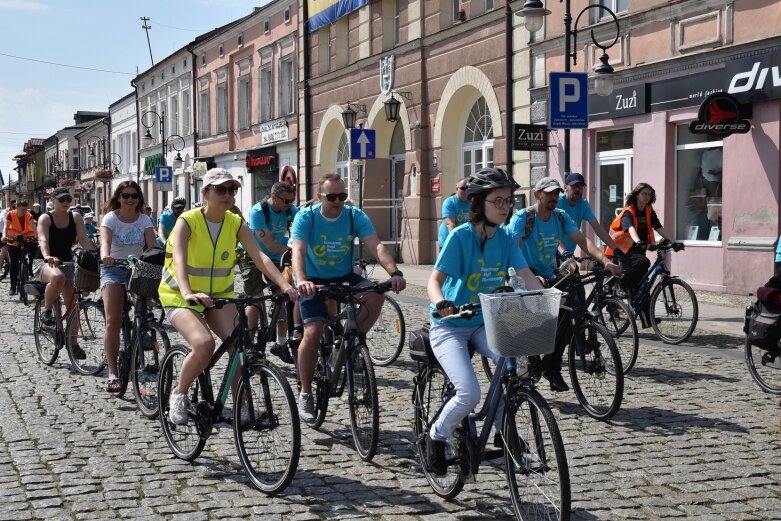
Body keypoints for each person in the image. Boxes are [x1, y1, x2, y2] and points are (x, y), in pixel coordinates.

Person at [424, 167, 542, 476]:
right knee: (469, 392)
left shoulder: (505, 238)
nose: (505, 207)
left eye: (508, 201)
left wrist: (550, 296)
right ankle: (437, 434)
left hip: (484, 321)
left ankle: (504, 430)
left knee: (514, 364)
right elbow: (434, 281)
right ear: (479, 204)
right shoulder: (460, 236)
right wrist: (441, 304)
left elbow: (527, 276)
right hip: (450, 326)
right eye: (498, 201)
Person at [160, 168, 296, 426]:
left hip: (219, 295)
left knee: (240, 346)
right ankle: (178, 394)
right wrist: (188, 292)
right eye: (220, 189)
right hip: (179, 295)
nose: (227, 195)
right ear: (206, 192)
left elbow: (260, 257)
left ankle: (241, 407)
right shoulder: (187, 221)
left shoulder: (235, 222)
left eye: (232, 189)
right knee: (203, 344)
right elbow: (178, 258)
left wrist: (283, 286)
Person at [291, 173, 406, 424]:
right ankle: (306, 392)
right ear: (320, 197)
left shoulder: (354, 216)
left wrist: (394, 273)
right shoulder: (306, 217)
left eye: (342, 196)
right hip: (313, 279)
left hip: (343, 275)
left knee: (377, 295)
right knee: (313, 331)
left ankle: (351, 340)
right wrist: (301, 280)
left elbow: (375, 246)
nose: (337, 201)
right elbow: (298, 251)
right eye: (331, 197)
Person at [509, 177, 621, 392]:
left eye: (556, 193)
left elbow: (583, 240)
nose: (554, 197)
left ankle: (551, 366)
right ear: (537, 195)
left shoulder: (560, 217)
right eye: (549, 193)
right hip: (522, 272)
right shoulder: (523, 218)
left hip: (547, 271)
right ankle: (528, 359)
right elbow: (513, 253)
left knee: (569, 313)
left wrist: (606, 261)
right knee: (534, 319)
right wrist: (530, 279)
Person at [100, 181, 157, 393]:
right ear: (119, 197)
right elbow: (105, 242)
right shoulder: (111, 218)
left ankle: (143, 330)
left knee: (144, 304)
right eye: (126, 195)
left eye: (134, 196)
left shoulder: (144, 219)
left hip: (137, 268)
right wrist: (106, 255)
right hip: (113, 268)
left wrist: (159, 257)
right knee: (113, 320)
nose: (130, 199)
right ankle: (113, 372)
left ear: (139, 199)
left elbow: (152, 246)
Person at [33, 187, 98, 357]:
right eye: (61, 200)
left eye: (68, 199)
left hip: (67, 262)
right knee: (58, 277)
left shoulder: (75, 217)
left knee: (73, 304)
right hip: (44, 262)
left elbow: (84, 239)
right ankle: (47, 311)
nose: (65, 203)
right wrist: (48, 256)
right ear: (52, 200)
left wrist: (96, 253)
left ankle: (73, 343)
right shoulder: (45, 218)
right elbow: (43, 239)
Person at [245, 181, 299, 364]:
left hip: (276, 256)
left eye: (291, 201)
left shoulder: (291, 210)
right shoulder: (258, 212)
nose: (289, 205)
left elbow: (300, 232)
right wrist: (296, 250)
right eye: (285, 201)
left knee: (282, 297)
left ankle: (280, 344)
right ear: (273, 197)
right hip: (251, 255)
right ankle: (249, 345)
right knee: (256, 299)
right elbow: (269, 244)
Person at [604, 182, 678, 295]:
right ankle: (620, 284)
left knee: (642, 286)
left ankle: (641, 308)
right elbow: (630, 228)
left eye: (649, 194)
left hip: (639, 249)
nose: (647, 196)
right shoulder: (629, 211)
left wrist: (674, 242)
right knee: (643, 262)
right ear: (637, 195)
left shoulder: (648, 211)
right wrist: (638, 241)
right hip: (623, 249)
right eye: (644, 194)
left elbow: (659, 227)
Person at [557, 172, 616, 253]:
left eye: (580, 187)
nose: (578, 189)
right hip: (553, 253)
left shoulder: (583, 204)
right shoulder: (557, 202)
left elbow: (597, 228)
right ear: (565, 187)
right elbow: (552, 233)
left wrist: (616, 249)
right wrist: (563, 251)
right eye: (574, 186)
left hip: (569, 254)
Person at [2, 200, 38, 296]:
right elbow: (5, 227)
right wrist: (4, 236)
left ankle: (30, 269)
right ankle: (13, 287)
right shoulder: (10, 214)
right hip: (13, 241)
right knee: (14, 263)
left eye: (25, 209)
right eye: (22, 209)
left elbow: (34, 227)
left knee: (35, 250)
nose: (24, 212)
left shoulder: (28, 215)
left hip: (26, 240)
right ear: (17, 208)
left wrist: (38, 237)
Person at [437, 177, 470, 250]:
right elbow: (450, 224)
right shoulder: (449, 202)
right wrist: (457, 242)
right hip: (448, 240)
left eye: (468, 188)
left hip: (465, 241)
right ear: (457, 189)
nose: (466, 191)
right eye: (463, 188)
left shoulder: (473, 203)